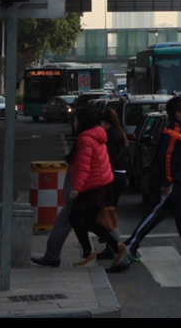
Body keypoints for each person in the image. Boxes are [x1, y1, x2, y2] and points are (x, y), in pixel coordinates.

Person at [106, 96, 181, 272]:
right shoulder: (173, 132)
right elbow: (165, 158)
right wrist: (167, 181)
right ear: (178, 113)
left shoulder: (178, 129)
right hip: (170, 183)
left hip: (178, 182)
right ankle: (128, 247)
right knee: (154, 215)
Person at [65, 106, 116, 266]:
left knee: (76, 218)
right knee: (88, 221)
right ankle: (99, 250)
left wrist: (76, 189)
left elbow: (84, 167)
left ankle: (115, 247)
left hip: (91, 186)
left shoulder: (86, 139)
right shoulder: (96, 135)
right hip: (99, 184)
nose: (74, 122)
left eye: (75, 119)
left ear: (82, 121)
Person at [97, 109, 126, 259]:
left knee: (107, 211)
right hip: (121, 174)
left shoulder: (111, 135)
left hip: (113, 175)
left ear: (104, 123)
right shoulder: (119, 132)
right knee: (110, 210)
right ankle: (111, 244)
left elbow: (109, 156)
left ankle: (114, 244)